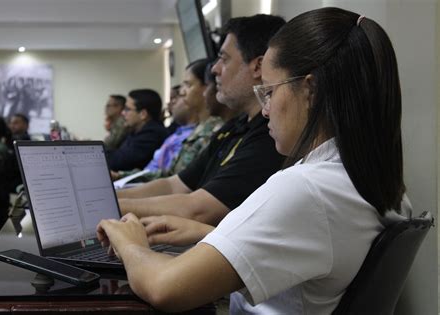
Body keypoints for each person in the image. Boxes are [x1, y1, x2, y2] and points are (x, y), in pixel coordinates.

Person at [96, 7, 408, 314]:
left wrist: (130, 243)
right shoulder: (366, 177)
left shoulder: (306, 187)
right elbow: (314, 250)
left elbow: (164, 288)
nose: (266, 109)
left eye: (270, 92)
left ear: (311, 89)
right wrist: (212, 236)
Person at [116, 14, 286, 225]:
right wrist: (108, 199)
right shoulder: (234, 127)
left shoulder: (271, 135)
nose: (215, 68)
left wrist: (100, 205)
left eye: (224, 59)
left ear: (258, 67)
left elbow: (198, 210)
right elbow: (174, 185)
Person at [108, 89, 168, 171]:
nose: (123, 113)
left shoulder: (152, 134)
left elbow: (119, 162)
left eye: (127, 109)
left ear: (143, 114)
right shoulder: (136, 131)